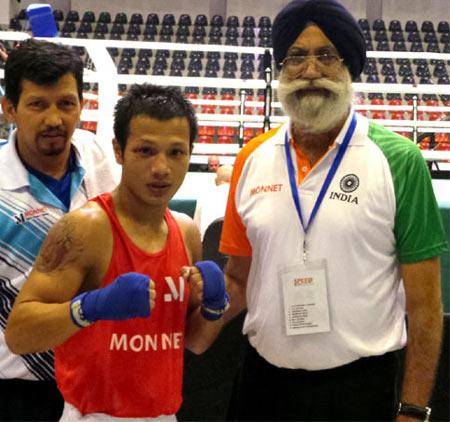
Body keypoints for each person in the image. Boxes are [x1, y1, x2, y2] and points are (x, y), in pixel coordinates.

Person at [220, 0, 449, 421]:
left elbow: (425, 306)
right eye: (296, 57)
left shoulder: (399, 161)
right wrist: (183, 317)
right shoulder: (251, 158)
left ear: (349, 66)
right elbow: (237, 278)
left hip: (357, 390)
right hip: (261, 385)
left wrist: (414, 408)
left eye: (326, 55)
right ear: (280, 69)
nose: (310, 71)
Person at [5, 83, 230, 421]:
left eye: (175, 152)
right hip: (94, 415)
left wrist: (214, 309)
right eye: (145, 151)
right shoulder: (86, 228)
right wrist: (91, 307)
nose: (161, 168)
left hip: (164, 415)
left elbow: (194, 342)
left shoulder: (186, 231)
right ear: (120, 151)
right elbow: (19, 334)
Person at [0, 38, 120, 421]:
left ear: (81, 105)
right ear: (10, 109)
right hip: (18, 386)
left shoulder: (95, 154)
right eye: (37, 104)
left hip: (93, 376)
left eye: (66, 103)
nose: (55, 119)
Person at [194, 164, 233, 240]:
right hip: (235, 248)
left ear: (215, 181)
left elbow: (196, 230)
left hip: (207, 247)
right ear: (235, 180)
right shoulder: (241, 197)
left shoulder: (203, 197)